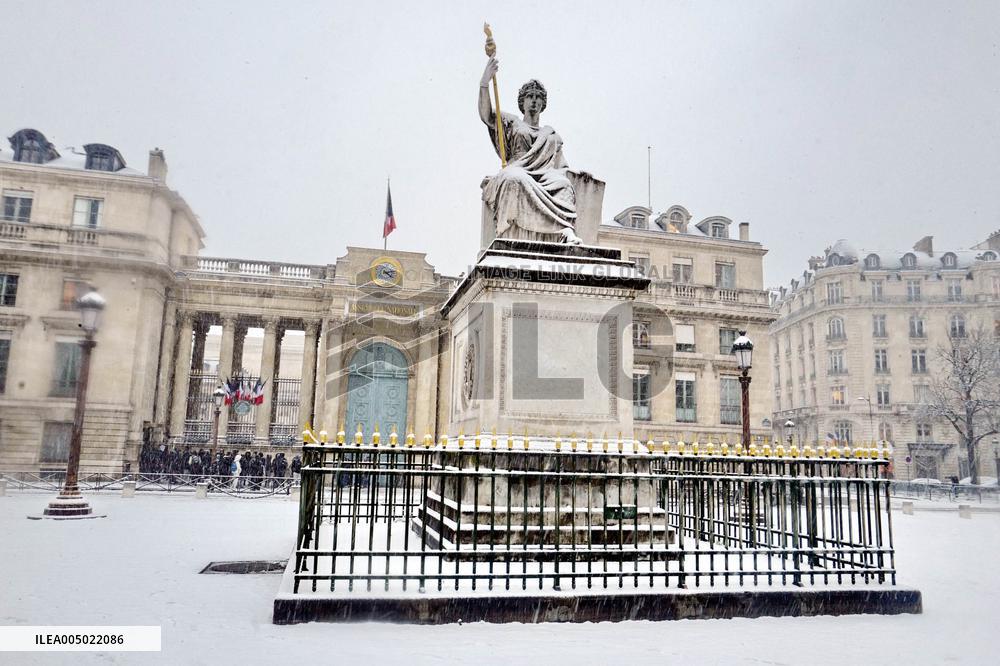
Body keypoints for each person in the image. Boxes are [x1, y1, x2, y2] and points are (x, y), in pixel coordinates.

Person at [478, 56, 579, 244]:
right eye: (530, 96)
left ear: (543, 104)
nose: (534, 101)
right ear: (522, 102)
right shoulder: (512, 123)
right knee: (515, 179)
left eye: (538, 97)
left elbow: (562, 167)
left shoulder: (551, 135)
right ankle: (509, 231)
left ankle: (564, 231)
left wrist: (579, 175)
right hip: (518, 168)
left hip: (545, 174)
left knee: (563, 184)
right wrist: (485, 83)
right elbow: (487, 116)